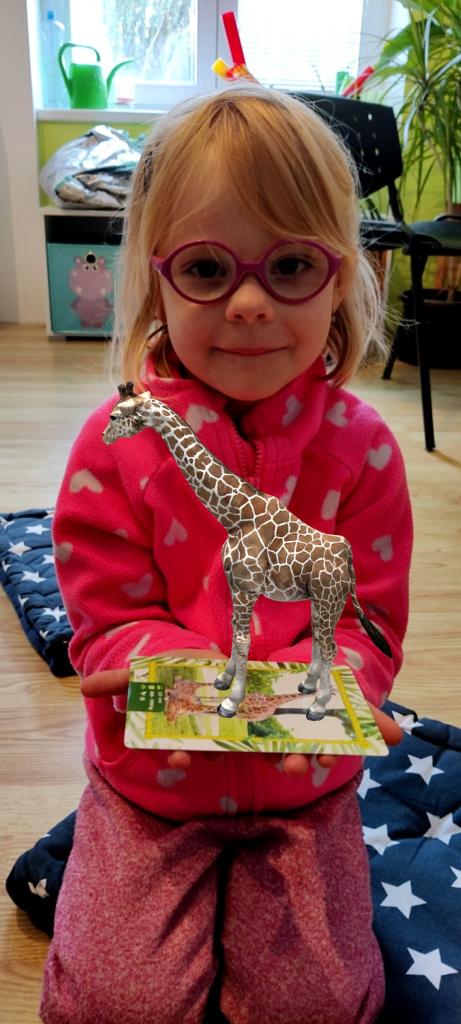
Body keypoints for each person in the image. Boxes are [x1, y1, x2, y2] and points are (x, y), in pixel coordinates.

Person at [39, 83, 412, 1024]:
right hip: (150, 785)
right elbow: (107, 618)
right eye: (206, 268)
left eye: (290, 265)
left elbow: (367, 617)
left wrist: (344, 687)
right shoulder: (114, 449)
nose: (247, 304)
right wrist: (177, 679)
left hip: (306, 789)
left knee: (319, 1005)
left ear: (341, 277)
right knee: (110, 1007)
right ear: (157, 279)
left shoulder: (365, 451)